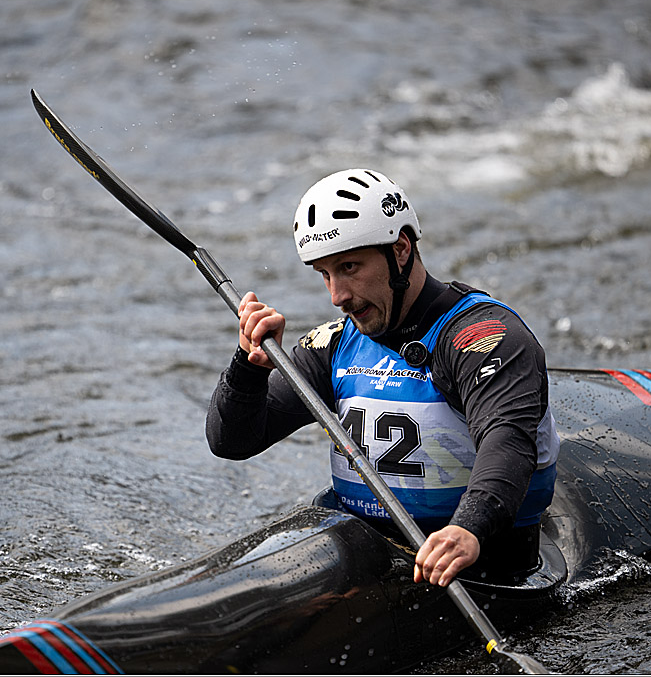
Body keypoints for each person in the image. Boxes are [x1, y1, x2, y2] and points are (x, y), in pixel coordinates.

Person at [206, 169, 560, 588]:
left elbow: (508, 439)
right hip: (363, 554)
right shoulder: (335, 345)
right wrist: (249, 367)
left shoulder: (484, 339)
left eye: (349, 267)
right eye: (325, 274)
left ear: (401, 250)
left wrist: (469, 527)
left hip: (481, 565)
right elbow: (233, 442)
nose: (337, 295)